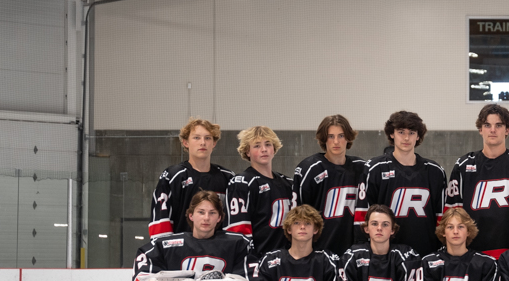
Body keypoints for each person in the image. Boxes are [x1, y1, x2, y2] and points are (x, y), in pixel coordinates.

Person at [130, 191, 252, 281]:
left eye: (212, 213)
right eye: (201, 212)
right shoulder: (166, 245)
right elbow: (142, 276)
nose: (206, 218)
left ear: (219, 218)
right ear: (191, 215)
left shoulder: (237, 244)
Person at [445, 104, 509, 258]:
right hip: (473, 253)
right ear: (480, 129)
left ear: (507, 130)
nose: (493, 130)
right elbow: (453, 213)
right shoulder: (464, 165)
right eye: (487, 125)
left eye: (498, 125)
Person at [356, 111, 447, 257]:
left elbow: (442, 218)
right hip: (385, 256)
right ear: (392, 134)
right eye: (401, 132)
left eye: (411, 132)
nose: (406, 137)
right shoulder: (374, 169)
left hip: (426, 254)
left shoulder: (435, 171)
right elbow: (362, 216)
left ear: (418, 136)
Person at [294, 114, 368, 256]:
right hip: (320, 251)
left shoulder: (361, 168)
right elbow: (298, 214)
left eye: (341, 136)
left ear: (348, 137)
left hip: (354, 252)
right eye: (330, 136)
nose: (336, 142)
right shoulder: (310, 169)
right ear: (323, 139)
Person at [149, 118, 234, 238]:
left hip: (218, 251)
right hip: (181, 251)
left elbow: (233, 220)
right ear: (185, 142)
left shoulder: (228, 177)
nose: (203, 142)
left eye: (208, 138)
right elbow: (161, 217)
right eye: (196, 137)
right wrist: (165, 251)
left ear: (214, 143)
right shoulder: (173, 176)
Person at [225, 126, 295, 266]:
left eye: (268, 144)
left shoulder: (288, 183)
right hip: (258, 261)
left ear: (274, 149)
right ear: (247, 151)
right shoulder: (242, 183)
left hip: (286, 259)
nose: (264, 149)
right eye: (257, 145)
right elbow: (238, 231)